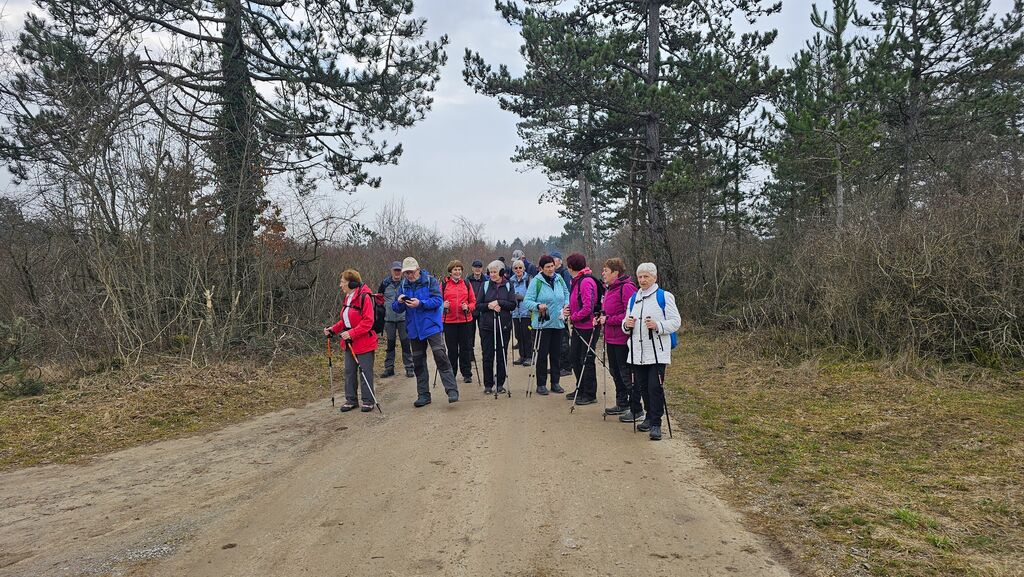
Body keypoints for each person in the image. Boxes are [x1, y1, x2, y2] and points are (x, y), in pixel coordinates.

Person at [622, 262, 681, 440]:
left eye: (646, 276)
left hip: (657, 352)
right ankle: (649, 416)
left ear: (654, 277)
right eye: (640, 277)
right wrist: (626, 324)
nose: (642, 280)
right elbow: (625, 322)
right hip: (637, 352)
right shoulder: (633, 298)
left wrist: (658, 325)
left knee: (655, 388)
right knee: (642, 387)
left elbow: (676, 322)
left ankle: (656, 423)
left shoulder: (664, 296)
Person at [393, 257, 459, 406]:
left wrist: (420, 303)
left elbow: (438, 301)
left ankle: (452, 390)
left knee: (440, 356)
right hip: (414, 329)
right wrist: (400, 302)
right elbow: (396, 308)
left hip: (431, 326)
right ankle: (423, 395)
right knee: (418, 362)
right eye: (406, 273)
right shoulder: (403, 285)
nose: (409, 275)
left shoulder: (430, 281)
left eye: (411, 272)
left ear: (418, 269)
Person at [324, 269, 379, 413]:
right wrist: (333, 329)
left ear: (352, 283)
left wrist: (351, 333)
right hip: (349, 342)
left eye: (342, 282)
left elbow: (368, 322)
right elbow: (345, 320)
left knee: (365, 372)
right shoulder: (348, 298)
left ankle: (368, 401)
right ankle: (351, 400)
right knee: (349, 371)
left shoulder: (364, 297)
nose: (340, 285)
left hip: (364, 342)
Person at [524, 255, 570, 396]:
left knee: (556, 355)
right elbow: (527, 301)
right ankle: (541, 384)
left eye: (552, 266)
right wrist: (538, 306)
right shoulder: (536, 282)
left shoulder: (559, 279)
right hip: (542, 324)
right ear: (541, 268)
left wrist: (566, 305)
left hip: (558, 323)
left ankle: (555, 382)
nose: (550, 269)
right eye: (547, 267)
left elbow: (566, 294)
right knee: (542, 355)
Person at [598, 258, 638, 418]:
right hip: (611, 338)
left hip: (623, 339)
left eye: (606, 270)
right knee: (615, 372)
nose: (603, 273)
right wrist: (601, 317)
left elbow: (631, 314)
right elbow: (608, 311)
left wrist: (609, 319)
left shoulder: (626, 288)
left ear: (615, 273)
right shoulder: (610, 288)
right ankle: (622, 403)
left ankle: (637, 408)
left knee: (626, 374)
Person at [476, 260, 516, 394]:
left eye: (495, 272)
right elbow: (478, 305)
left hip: (504, 326)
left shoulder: (508, 285)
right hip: (487, 326)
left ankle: (500, 384)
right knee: (487, 356)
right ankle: (488, 384)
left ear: (501, 272)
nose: (492, 274)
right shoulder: (485, 285)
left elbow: (513, 305)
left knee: (501, 356)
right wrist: (489, 306)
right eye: (490, 272)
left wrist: (499, 302)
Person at [565, 253, 599, 405]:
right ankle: (581, 387)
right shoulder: (577, 281)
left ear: (571, 267)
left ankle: (590, 393)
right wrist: (569, 309)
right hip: (579, 326)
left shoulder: (585, 281)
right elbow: (576, 302)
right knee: (574, 357)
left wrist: (574, 317)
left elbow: (588, 307)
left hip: (588, 327)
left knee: (586, 359)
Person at [441, 260, 476, 384]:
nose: (458, 272)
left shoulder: (466, 283)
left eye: (459, 269)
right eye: (455, 270)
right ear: (450, 272)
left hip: (465, 320)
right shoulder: (444, 284)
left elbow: (473, 301)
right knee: (452, 350)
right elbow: (437, 301)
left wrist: (468, 307)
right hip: (449, 321)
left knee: (465, 348)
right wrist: (443, 305)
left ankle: (467, 374)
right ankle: (452, 373)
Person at [378, 262, 415, 379]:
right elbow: (379, 298)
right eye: (395, 270)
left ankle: (409, 367)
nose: (397, 272)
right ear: (391, 271)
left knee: (405, 343)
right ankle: (389, 368)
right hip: (389, 319)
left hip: (403, 318)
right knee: (390, 344)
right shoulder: (385, 283)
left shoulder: (406, 283)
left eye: (399, 270)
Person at [551, 251, 573, 377]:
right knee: (556, 341)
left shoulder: (564, 273)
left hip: (562, 311)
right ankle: (557, 365)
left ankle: (567, 366)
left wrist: (566, 307)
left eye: (554, 259)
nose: (552, 262)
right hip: (553, 312)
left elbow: (567, 291)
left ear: (559, 260)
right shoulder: (552, 274)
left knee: (563, 339)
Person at [508, 259, 534, 365]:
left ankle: (529, 356)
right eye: (516, 268)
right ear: (513, 269)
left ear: (524, 268)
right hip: (515, 312)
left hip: (527, 312)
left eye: (520, 267)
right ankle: (522, 356)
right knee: (518, 335)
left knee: (527, 335)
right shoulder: (511, 281)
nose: (518, 270)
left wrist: (522, 297)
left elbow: (532, 294)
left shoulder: (529, 279)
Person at [466, 259, 487, 370]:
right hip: (471, 311)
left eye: (479, 267)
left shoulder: (486, 280)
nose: (477, 269)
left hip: (482, 310)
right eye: (476, 267)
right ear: (472, 268)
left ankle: (485, 353)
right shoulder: (467, 280)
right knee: (470, 334)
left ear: (482, 269)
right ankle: (470, 355)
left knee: (484, 333)